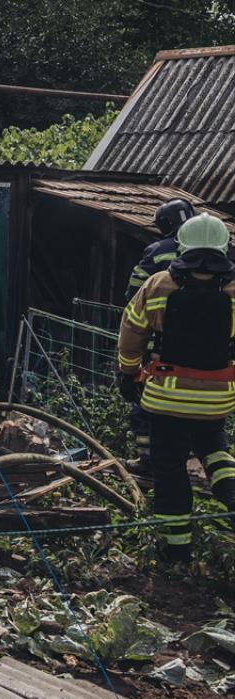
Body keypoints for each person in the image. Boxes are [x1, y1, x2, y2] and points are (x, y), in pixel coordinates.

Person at [118, 213, 235, 565]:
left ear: (181, 245)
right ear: (224, 246)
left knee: (169, 468)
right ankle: (231, 496)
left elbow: (131, 332)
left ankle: (177, 551)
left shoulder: (157, 285)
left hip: (165, 397)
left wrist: (127, 373)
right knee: (215, 449)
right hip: (216, 398)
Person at [122, 198, 197, 474]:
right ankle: (185, 456)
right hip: (211, 351)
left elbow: (133, 297)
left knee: (145, 403)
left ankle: (148, 461)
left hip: (160, 347)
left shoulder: (157, 251)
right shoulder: (220, 256)